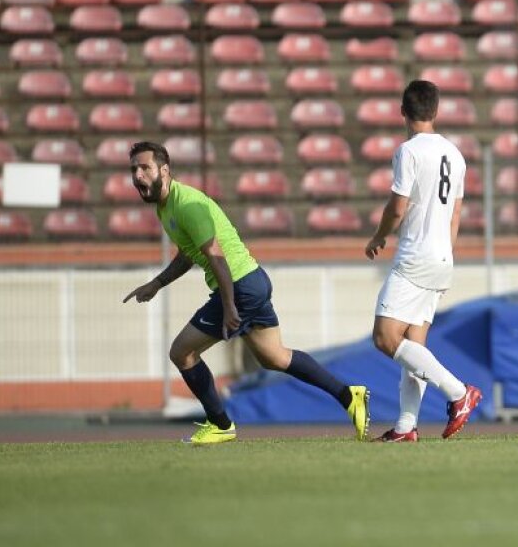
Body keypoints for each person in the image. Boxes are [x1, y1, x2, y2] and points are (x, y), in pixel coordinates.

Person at [123, 141, 369, 445]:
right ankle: (348, 395)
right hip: (252, 282)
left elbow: (216, 257)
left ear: (164, 169)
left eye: (144, 167)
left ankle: (220, 424)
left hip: (238, 286)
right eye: (133, 169)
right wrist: (157, 283)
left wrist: (228, 306)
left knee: (182, 352)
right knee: (275, 358)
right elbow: (189, 254)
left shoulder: (187, 204)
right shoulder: (166, 207)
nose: (137, 175)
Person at [364, 80, 481, 441]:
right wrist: (446, 253)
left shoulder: (409, 152)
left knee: (385, 337)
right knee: (413, 343)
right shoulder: (455, 154)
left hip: (416, 256)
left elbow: (397, 206)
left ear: (403, 111)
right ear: (436, 110)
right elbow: (457, 212)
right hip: (443, 255)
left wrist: (380, 236)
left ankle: (459, 393)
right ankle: (406, 425)